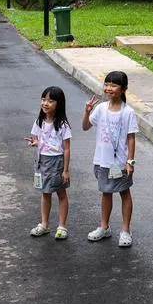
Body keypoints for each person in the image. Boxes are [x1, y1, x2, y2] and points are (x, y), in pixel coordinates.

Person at [81, 70, 138, 248]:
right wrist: (87, 111)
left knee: (124, 192)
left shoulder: (128, 112)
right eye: (107, 84)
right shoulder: (100, 109)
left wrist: (130, 161)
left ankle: (125, 231)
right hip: (102, 160)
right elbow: (85, 127)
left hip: (120, 163)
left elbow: (131, 138)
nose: (108, 88)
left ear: (123, 89)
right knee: (105, 192)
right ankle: (104, 226)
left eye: (113, 85)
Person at [25, 86, 72, 240]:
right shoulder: (40, 121)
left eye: (50, 101)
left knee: (61, 193)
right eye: (44, 99)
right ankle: (44, 224)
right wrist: (35, 143)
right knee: (45, 192)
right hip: (41, 161)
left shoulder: (63, 125)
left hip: (56, 161)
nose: (45, 103)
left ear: (59, 104)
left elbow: (66, 149)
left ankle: (62, 226)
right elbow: (39, 140)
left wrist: (65, 170)